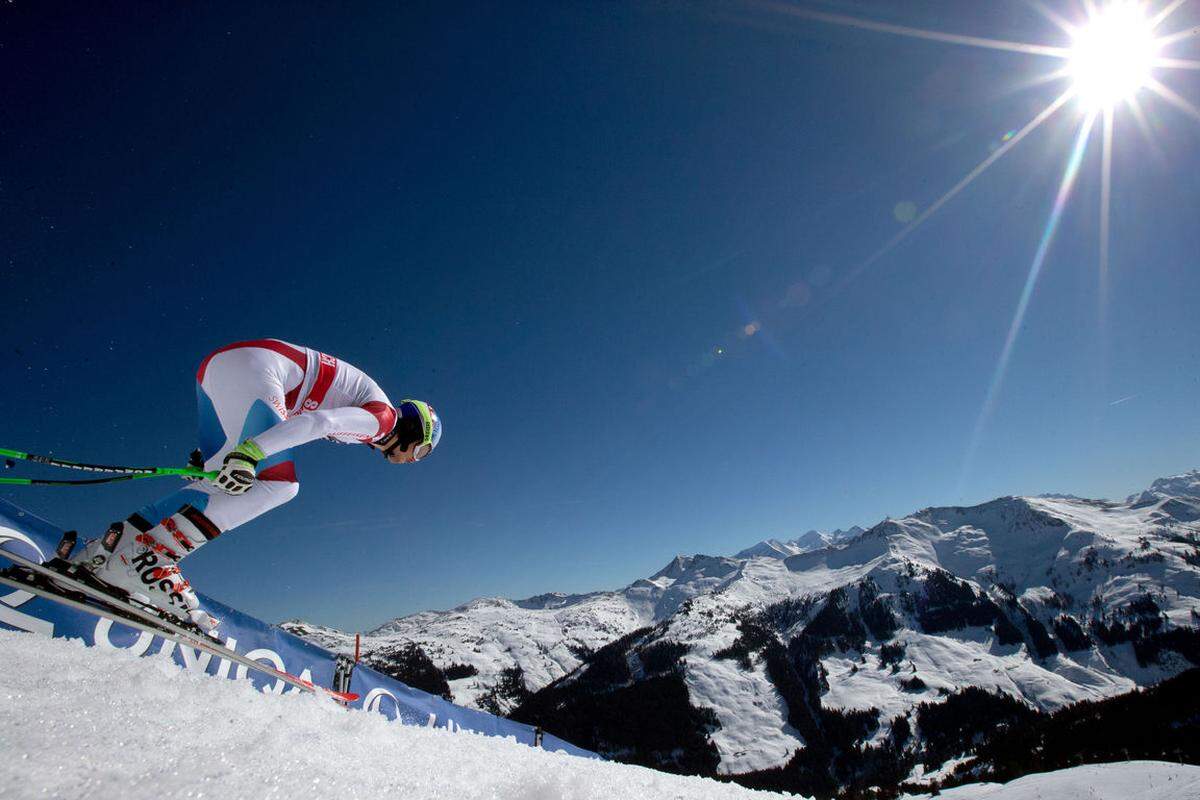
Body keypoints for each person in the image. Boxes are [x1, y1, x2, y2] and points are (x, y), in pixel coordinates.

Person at [69, 339, 441, 633]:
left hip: (223, 366)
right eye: (422, 451)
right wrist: (250, 451)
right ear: (412, 430)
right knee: (280, 486)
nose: (414, 460)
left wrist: (219, 456)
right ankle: (152, 559)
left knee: (220, 484)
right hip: (260, 371)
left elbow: (294, 417)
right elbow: (319, 421)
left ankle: (107, 553)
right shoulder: (382, 420)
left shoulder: (370, 416)